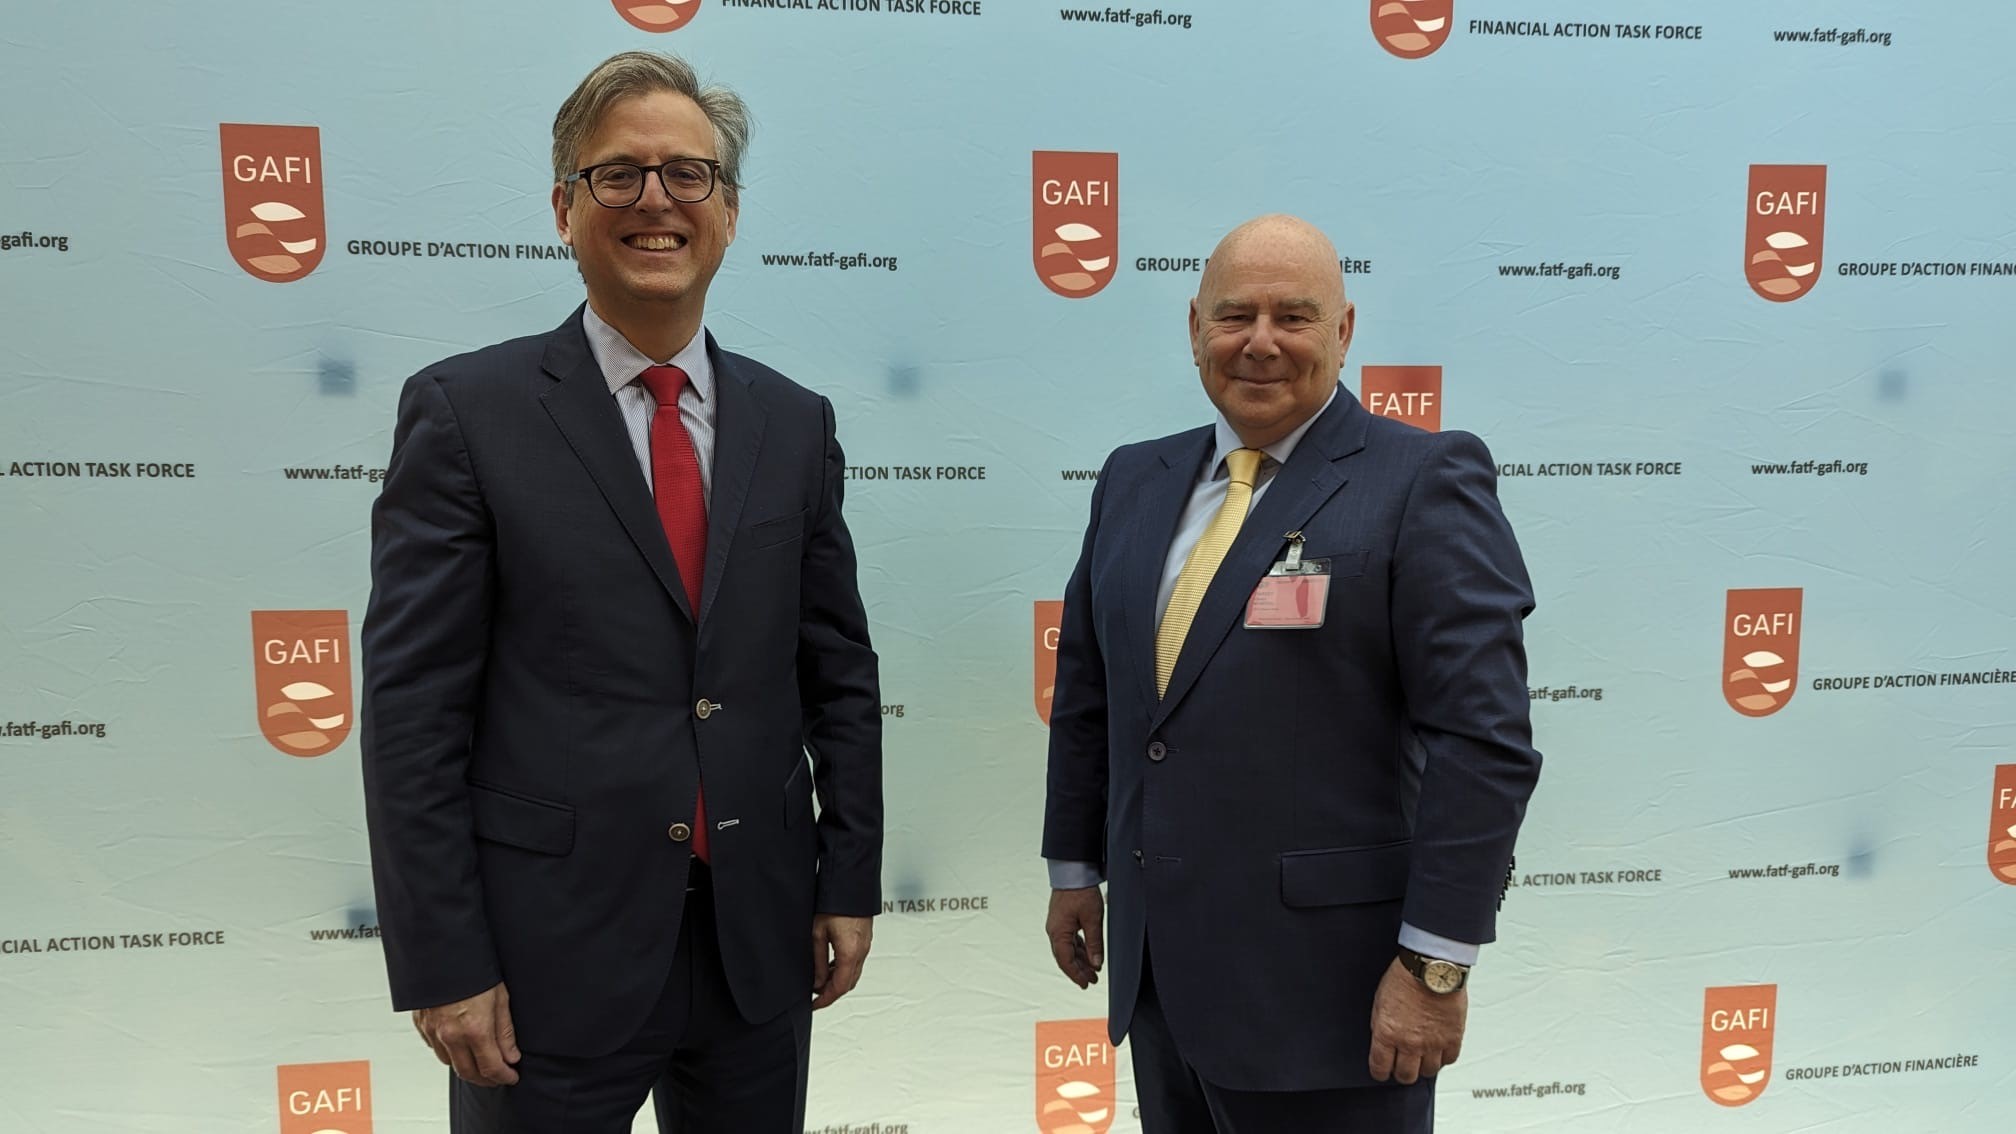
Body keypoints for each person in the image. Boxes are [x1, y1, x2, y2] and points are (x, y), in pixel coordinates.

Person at [360, 50, 882, 1133]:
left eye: (689, 174)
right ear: (565, 208)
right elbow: (414, 716)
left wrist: (847, 880)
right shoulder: (466, 413)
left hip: (757, 946)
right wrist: (445, 960)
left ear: (728, 213)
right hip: (542, 963)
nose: (656, 200)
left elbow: (837, 671)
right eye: (618, 174)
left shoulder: (796, 423)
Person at [1041, 214, 1540, 1132]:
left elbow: (1484, 743)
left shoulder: (1423, 479)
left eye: (1294, 317)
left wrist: (1435, 965)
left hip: (1334, 1004)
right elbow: (1091, 693)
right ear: (1195, 327)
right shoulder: (1132, 478)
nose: (1261, 342)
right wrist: (1075, 868)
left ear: (1343, 330)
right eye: (1235, 316)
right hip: (1161, 988)